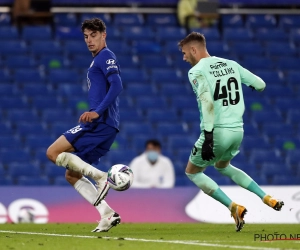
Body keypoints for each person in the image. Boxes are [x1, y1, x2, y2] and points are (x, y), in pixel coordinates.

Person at [178, 32, 284, 232]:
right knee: (222, 166)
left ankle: (233, 206)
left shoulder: (197, 71)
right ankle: (266, 197)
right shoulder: (231, 64)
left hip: (217, 131)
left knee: (192, 172)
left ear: (194, 49)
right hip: (237, 131)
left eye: (184, 53)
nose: (184, 58)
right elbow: (260, 84)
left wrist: (208, 137)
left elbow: (207, 102)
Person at [46, 18, 123, 232]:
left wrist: (97, 111)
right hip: (107, 126)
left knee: (52, 152)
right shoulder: (98, 59)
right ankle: (107, 214)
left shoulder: (106, 56)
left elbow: (117, 85)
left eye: (94, 35)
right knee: (72, 174)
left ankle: (99, 176)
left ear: (104, 35)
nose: (89, 40)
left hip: (99, 123)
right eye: (86, 37)